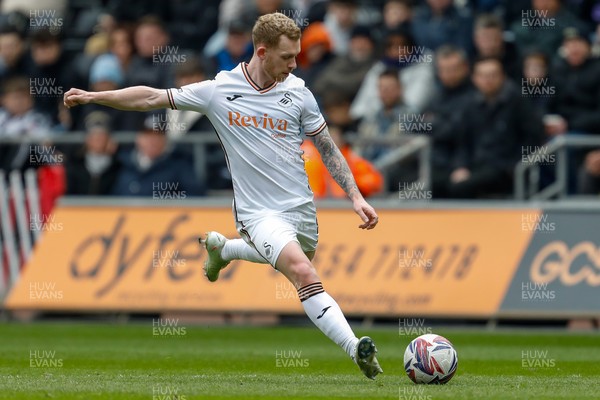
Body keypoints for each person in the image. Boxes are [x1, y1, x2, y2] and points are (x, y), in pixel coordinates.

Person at [63, 12, 382, 380]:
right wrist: (94, 96)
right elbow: (151, 97)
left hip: (300, 210)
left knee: (296, 256)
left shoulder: (298, 92)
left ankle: (223, 249)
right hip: (257, 212)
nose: (295, 64)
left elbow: (326, 146)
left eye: (296, 56)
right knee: (302, 270)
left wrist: (355, 196)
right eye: (287, 57)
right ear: (262, 52)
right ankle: (355, 347)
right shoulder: (219, 90)